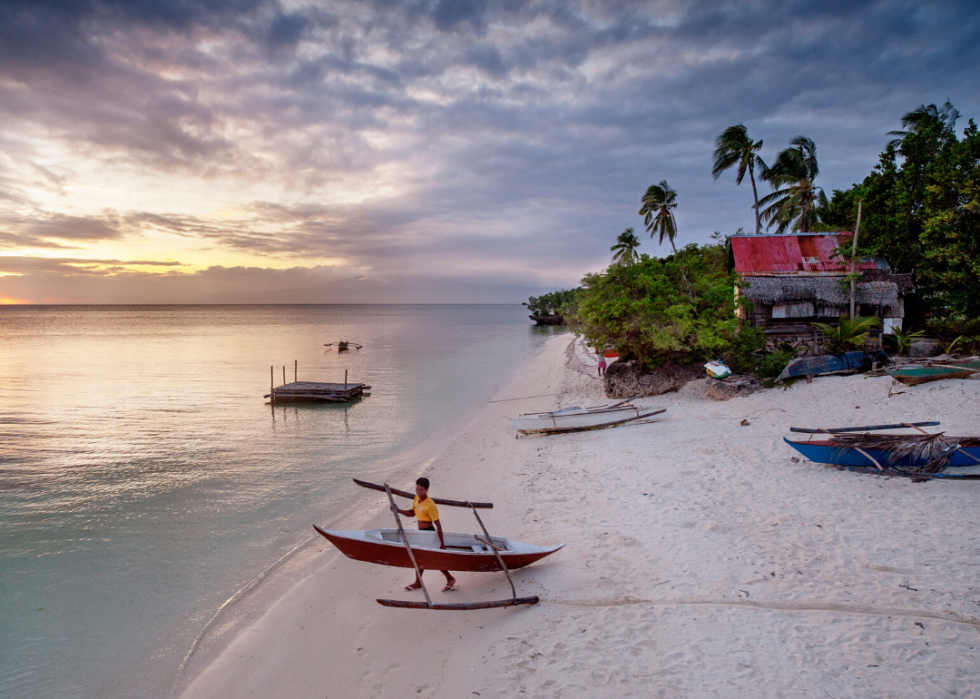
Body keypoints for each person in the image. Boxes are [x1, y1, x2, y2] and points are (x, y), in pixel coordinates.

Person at [390, 477, 457, 593]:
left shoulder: (430, 505)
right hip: (420, 533)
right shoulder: (416, 498)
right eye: (417, 489)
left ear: (427, 489)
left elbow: (438, 525)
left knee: (432, 559)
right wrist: (398, 510)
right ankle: (418, 582)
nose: (418, 492)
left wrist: (442, 543)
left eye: (421, 490)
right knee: (419, 558)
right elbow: (412, 513)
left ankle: (450, 579)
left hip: (429, 533)